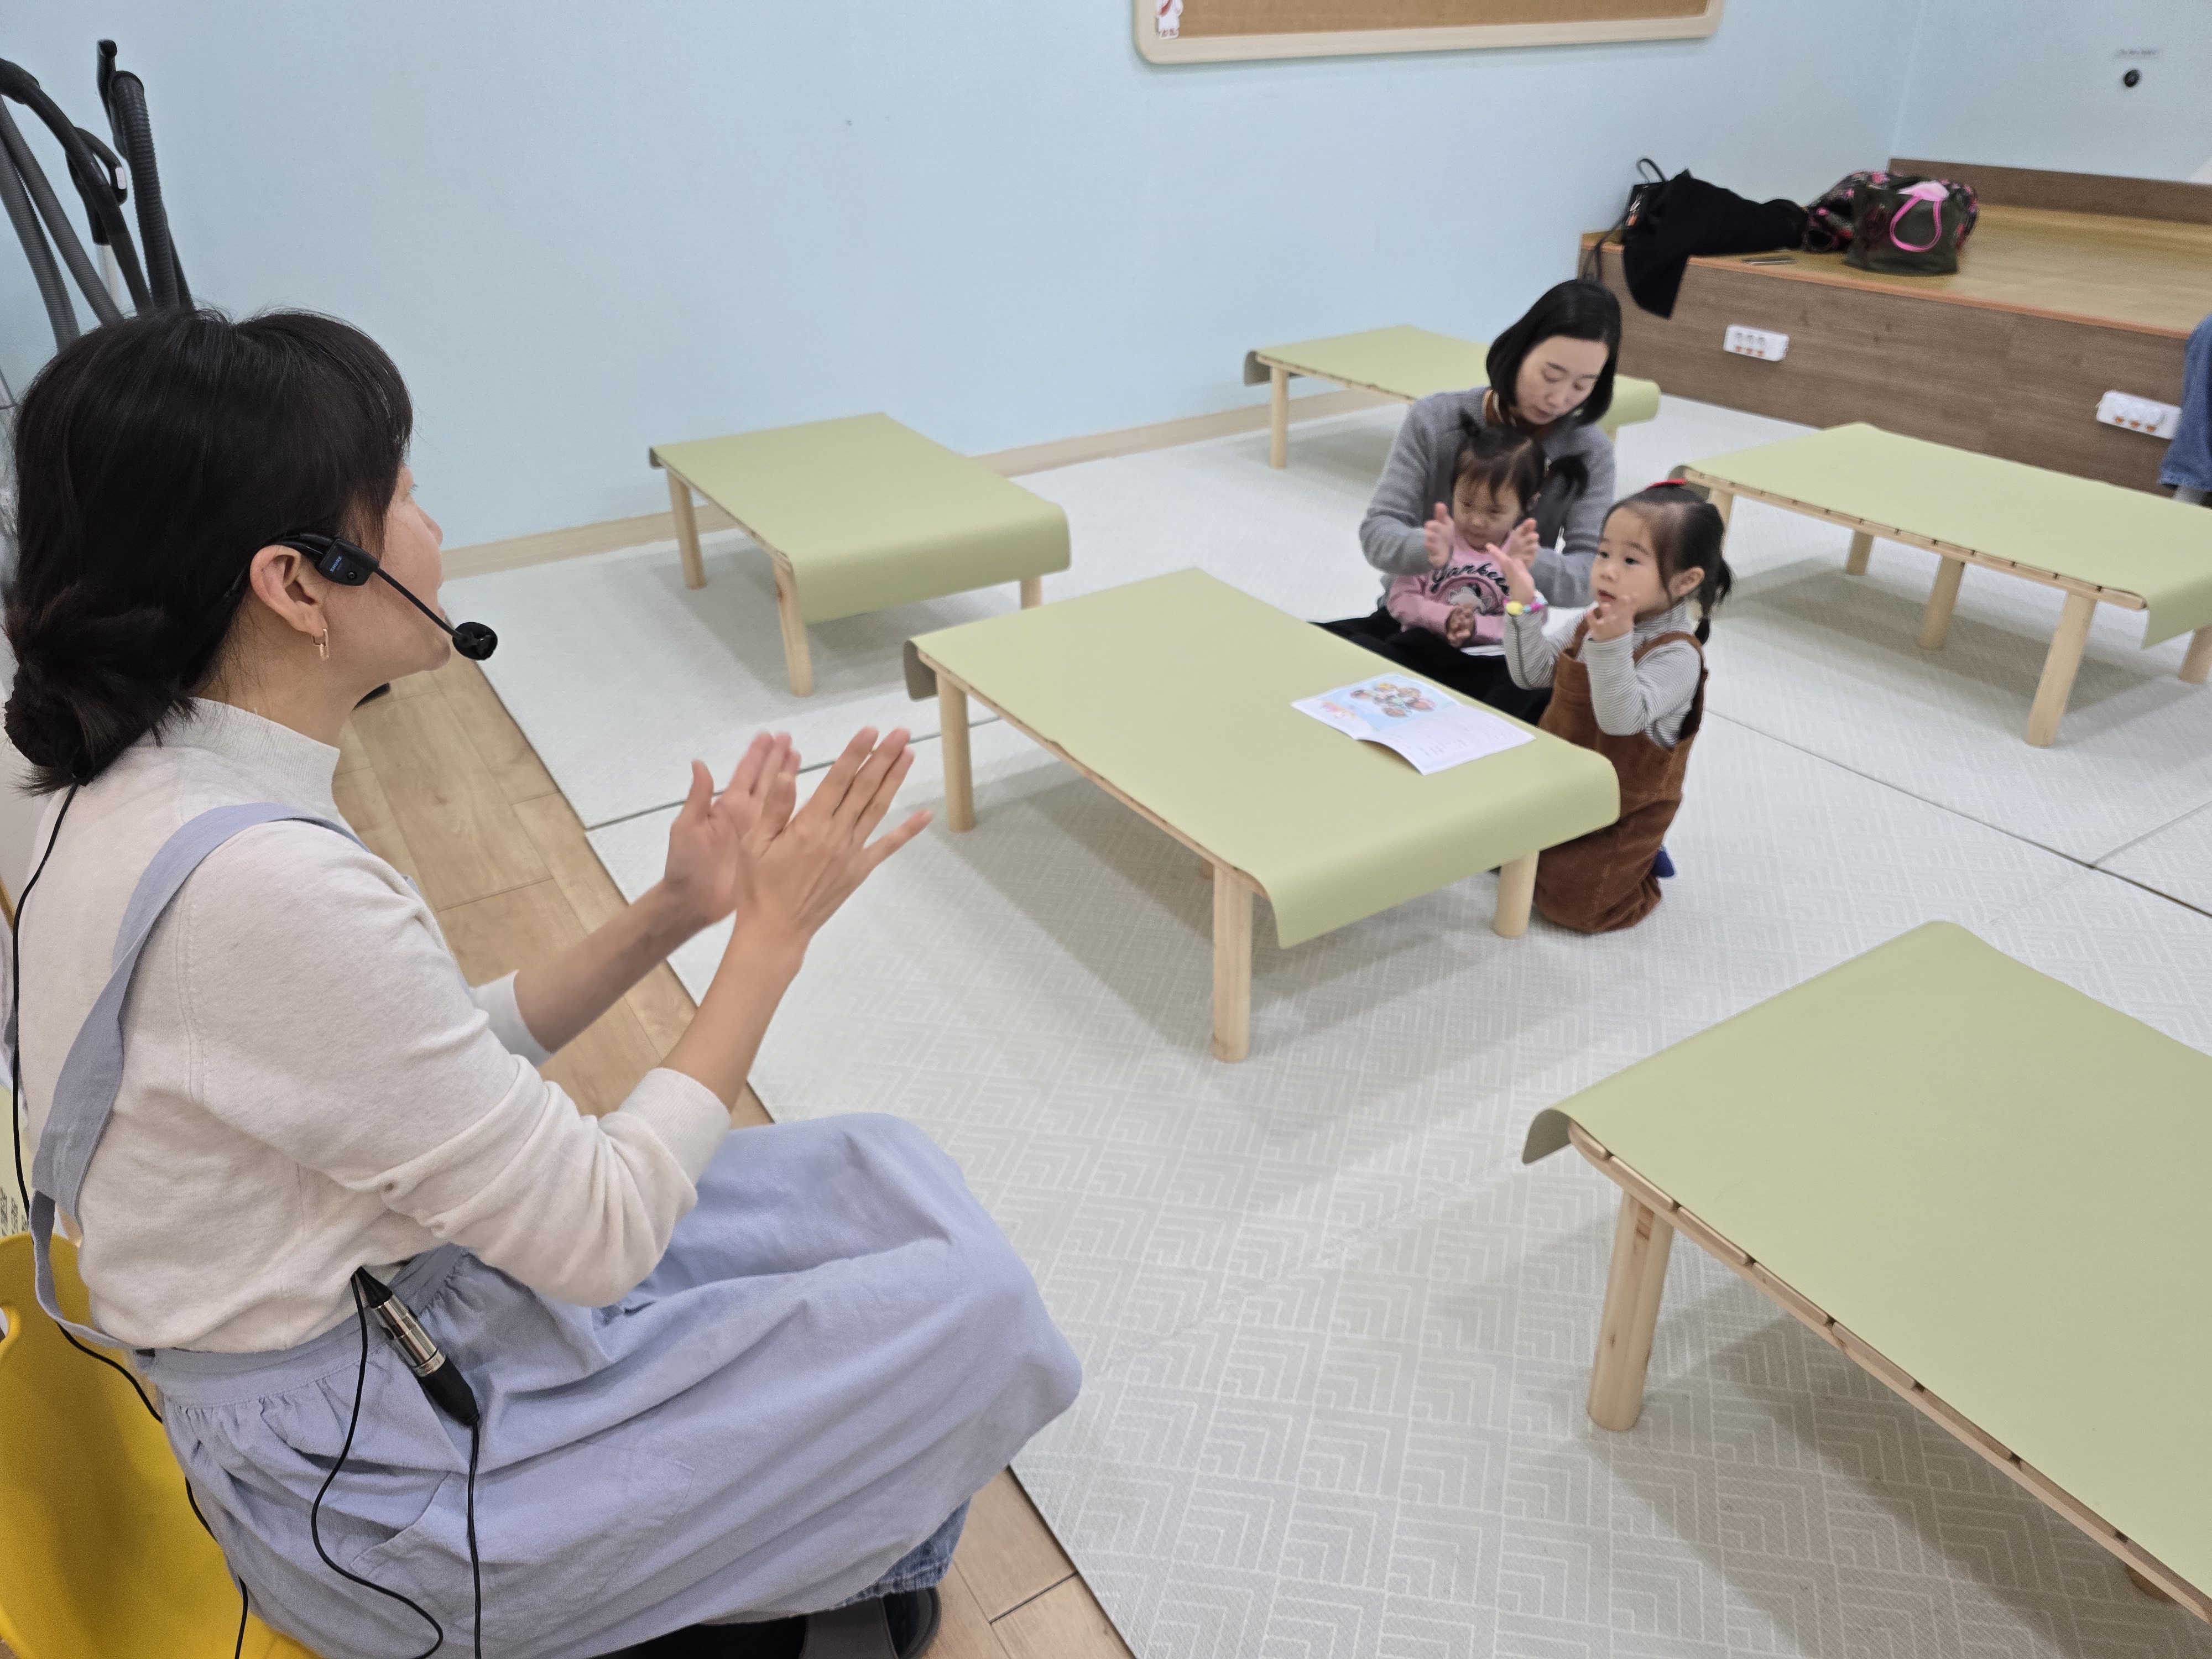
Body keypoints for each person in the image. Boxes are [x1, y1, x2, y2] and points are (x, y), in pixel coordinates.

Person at [3, 309, 1081, 1659]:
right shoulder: (268, 889)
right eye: (404, 496)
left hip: (384, 1318)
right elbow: (602, 1231)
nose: (433, 527)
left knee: (883, 1170)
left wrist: (673, 912)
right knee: (973, 1311)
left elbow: (415, 1060)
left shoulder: (101, 774)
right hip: (374, 1481)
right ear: (299, 584)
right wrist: (768, 939)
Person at [1326, 278, 1623, 661]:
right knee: (1323, 654)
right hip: (1414, 619)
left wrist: (1523, 561)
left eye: (1582, 386)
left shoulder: (1590, 451)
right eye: (1550, 376)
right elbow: (1378, 533)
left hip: (1502, 639)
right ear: (1519, 352)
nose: (1559, 398)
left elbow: (1590, 576)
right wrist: (1427, 547)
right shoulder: (1435, 420)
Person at [1495, 483, 1731, 933]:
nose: (1606, 570)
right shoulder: (1593, 622)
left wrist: (1612, 644)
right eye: (1603, 553)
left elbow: (1620, 721)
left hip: (1620, 811)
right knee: (1488, 853)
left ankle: (1642, 863)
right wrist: (1522, 604)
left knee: (1574, 909)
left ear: (1685, 581)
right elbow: (1532, 673)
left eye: (1631, 561)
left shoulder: (1678, 655)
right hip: (1559, 781)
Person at [1368, 420, 1549, 721]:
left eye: (1494, 511)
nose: (1476, 520)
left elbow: (1536, 620)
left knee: (1532, 686)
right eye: (1466, 504)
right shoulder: (1439, 540)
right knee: (1363, 651)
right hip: (1423, 650)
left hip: (1483, 662)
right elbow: (1400, 600)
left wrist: (1477, 626)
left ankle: (1472, 726)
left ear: (1527, 505)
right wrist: (1445, 618)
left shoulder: (1522, 554)